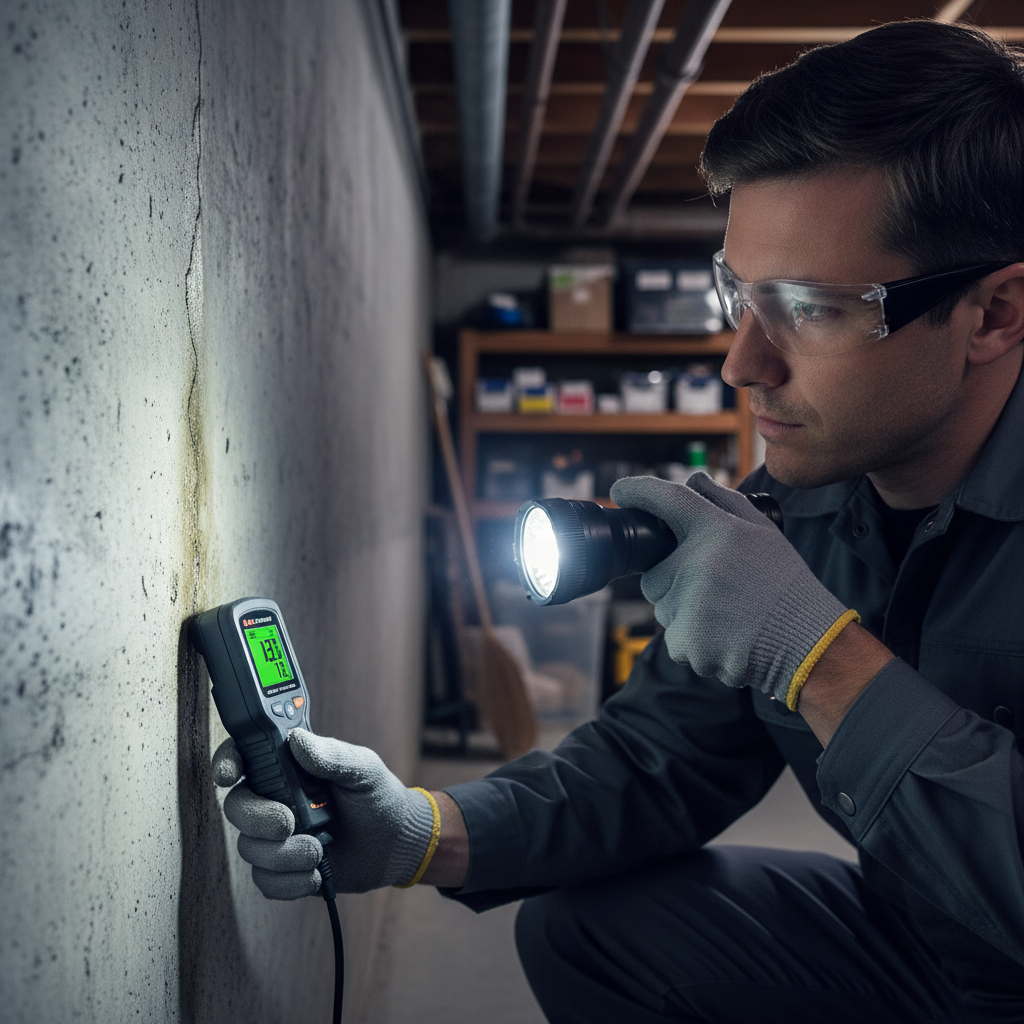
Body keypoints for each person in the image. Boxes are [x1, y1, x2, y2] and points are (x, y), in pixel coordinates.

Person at [211, 19, 1024, 1023]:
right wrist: (423, 829)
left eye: (813, 307)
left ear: (991, 314)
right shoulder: (799, 498)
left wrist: (820, 662)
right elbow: (661, 757)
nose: (743, 364)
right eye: (742, 293)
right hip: (936, 942)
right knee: (592, 932)